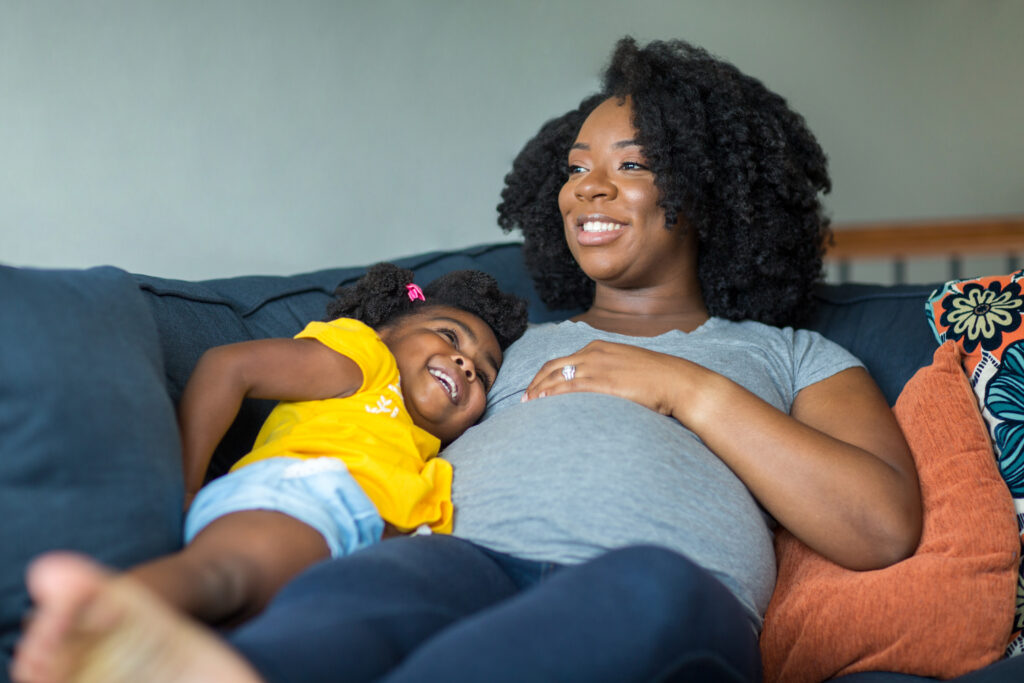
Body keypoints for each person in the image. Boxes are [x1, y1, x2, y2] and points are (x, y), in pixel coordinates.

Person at [11, 37, 922, 683]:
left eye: (632, 163)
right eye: (574, 166)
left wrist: (685, 389)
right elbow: (365, 383)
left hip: (667, 589)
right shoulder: (505, 342)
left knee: (642, 587)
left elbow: (880, 525)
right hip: (466, 556)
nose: (589, 187)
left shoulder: (793, 355)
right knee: (374, 588)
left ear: (711, 192)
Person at [18, 262, 528, 641]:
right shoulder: (367, 363)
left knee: (238, 632)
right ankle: (93, 620)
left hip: (349, 540)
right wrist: (187, 483)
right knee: (222, 577)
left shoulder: (428, 453)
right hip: (301, 492)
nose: (464, 364)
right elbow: (228, 367)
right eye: (448, 336)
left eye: (482, 374)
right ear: (387, 329)